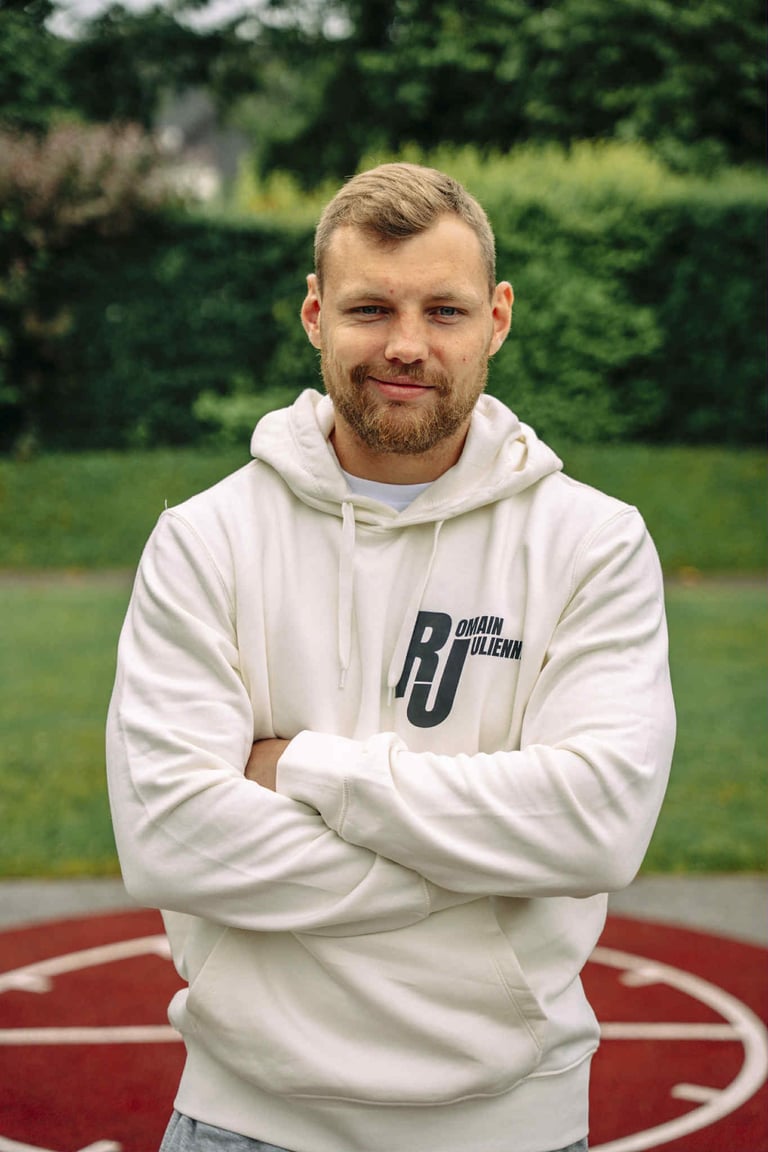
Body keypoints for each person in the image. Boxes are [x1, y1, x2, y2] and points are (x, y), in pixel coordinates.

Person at [106, 162, 675, 1152]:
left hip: (511, 1124)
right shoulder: (207, 539)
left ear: (496, 319)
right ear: (316, 315)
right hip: (245, 1116)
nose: (406, 345)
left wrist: (312, 769)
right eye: (370, 307)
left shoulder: (595, 541)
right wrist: (488, 863)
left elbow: (598, 825)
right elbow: (168, 835)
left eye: (444, 310)